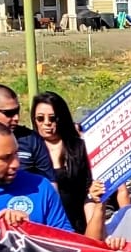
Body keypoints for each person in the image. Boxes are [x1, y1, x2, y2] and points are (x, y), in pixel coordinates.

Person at [0, 122, 74, 231]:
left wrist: (30, 229)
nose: (16, 164)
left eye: (16, 153)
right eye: (5, 158)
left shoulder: (40, 187)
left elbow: (68, 243)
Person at [30, 92, 104, 235]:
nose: (46, 123)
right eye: (40, 118)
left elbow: (88, 192)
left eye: (52, 118)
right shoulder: (29, 148)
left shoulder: (79, 147)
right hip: (41, 229)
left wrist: (92, 232)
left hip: (76, 227)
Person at [0, 85, 53, 182]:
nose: (16, 118)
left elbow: (50, 183)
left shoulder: (31, 139)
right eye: (9, 113)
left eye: (17, 111)